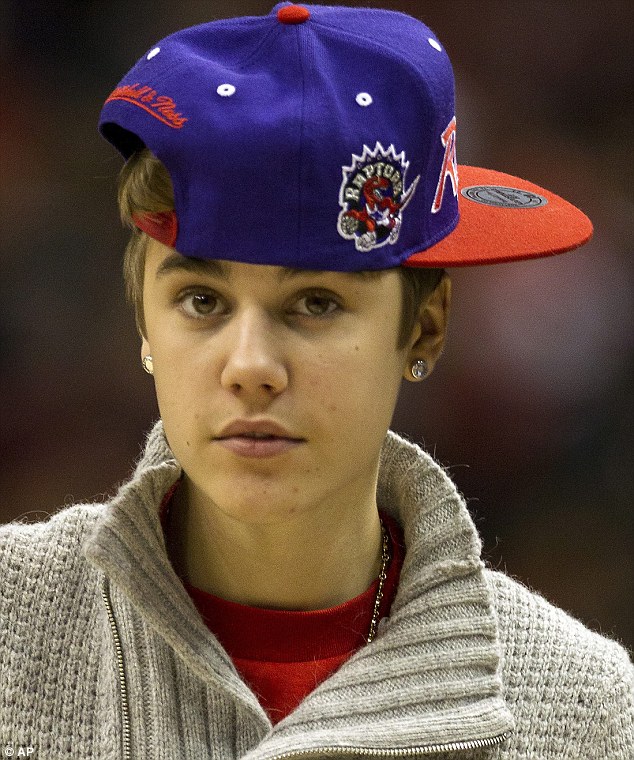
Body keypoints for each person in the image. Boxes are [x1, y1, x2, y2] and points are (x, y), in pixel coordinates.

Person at [1, 4, 632, 758]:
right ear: (143, 319)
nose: (250, 367)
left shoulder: (583, 710)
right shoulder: (11, 621)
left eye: (316, 304)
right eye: (201, 301)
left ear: (425, 327)